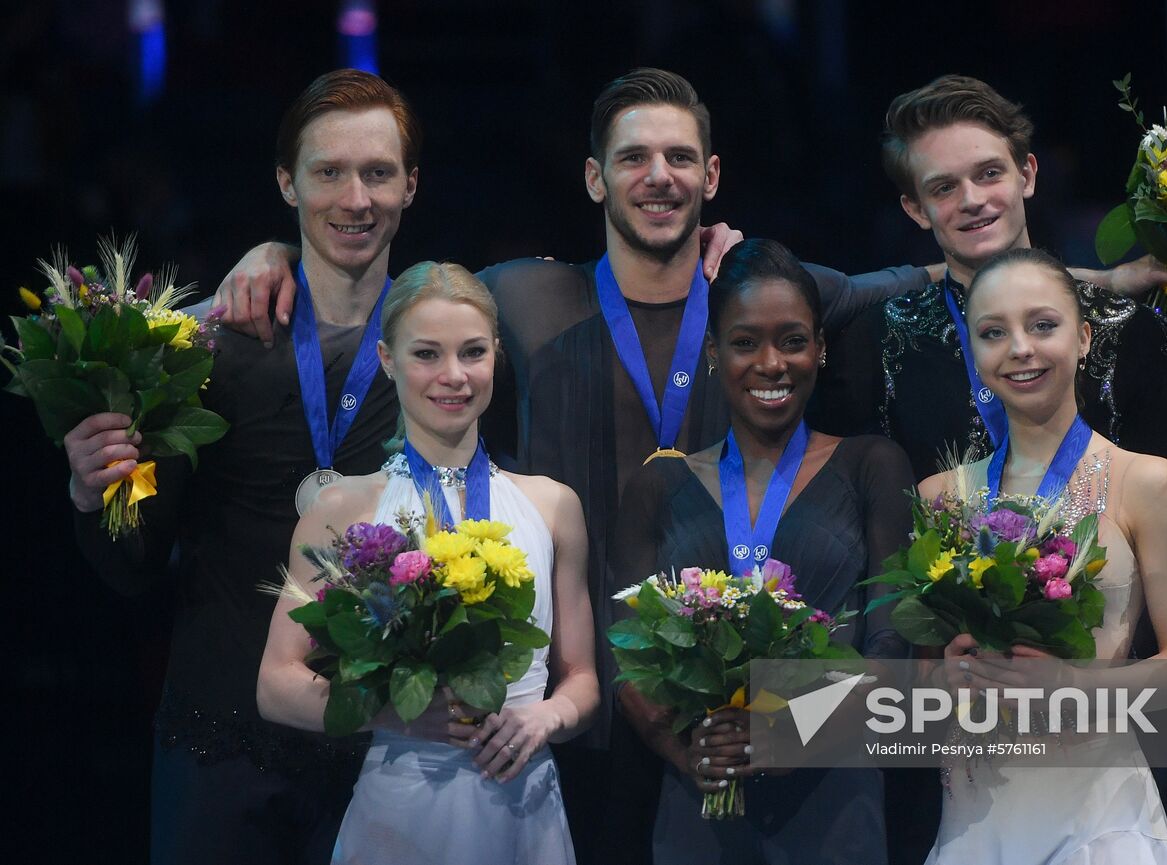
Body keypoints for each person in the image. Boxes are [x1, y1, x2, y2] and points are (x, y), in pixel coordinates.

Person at [214, 66, 938, 864]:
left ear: (713, 175)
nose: (657, 177)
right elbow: (408, 294)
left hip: (704, 715)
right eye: (632, 158)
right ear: (594, 176)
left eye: (678, 157)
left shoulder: (757, 298)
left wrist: (1087, 282)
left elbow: (927, 280)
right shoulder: (525, 298)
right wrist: (279, 252)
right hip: (567, 731)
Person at [62, 69, 418, 863]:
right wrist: (92, 493)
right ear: (287, 182)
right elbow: (132, 564)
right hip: (219, 758)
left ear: (411, 186)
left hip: (387, 758)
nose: (355, 198)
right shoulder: (203, 349)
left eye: (378, 173)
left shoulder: (444, 355)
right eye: (328, 172)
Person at [813, 73, 1167, 616]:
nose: (972, 200)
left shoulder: (1135, 332)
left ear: (1027, 174)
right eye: (943, 187)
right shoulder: (875, 343)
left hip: (1112, 679)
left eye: (989, 174)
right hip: (948, 675)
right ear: (916, 209)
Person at [258, 261, 598, 864]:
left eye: (472, 353)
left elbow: (582, 678)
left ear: (496, 353)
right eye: (426, 354)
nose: (453, 376)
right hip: (404, 806)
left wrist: (545, 718)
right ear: (388, 360)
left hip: (523, 805)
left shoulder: (553, 506)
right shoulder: (341, 510)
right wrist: (394, 713)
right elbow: (277, 684)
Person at [610, 238, 915, 864]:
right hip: (702, 805)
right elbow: (626, 660)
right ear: (716, 354)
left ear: (822, 348)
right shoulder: (656, 486)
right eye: (746, 342)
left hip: (833, 805)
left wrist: (793, 733)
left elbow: (891, 648)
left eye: (793, 340)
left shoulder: (872, 466)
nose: (771, 363)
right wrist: (688, 751)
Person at [917, 248, 1167, 863]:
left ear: (1084, 339)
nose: (1019, 347)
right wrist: (947, 680)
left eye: (1042, 325)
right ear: (972, 351)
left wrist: (1074, 685)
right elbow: (923, 686)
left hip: (1100, 818)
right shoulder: (939, 497)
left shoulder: (1146, 482)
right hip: (975, 819)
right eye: (993, 332)